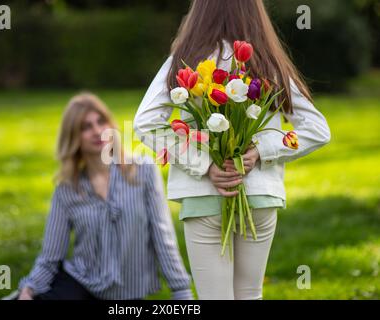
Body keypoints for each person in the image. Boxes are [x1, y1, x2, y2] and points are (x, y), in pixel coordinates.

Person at [133, 0, 331, 300]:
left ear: (200, 12)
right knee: (250, 295)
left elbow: (146, 122)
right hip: (260, 195)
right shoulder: (267, 61)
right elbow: (317, 128)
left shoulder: (187, 60)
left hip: (204, 196)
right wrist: (261, 151)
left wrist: (204, 164)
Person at [18, 93, 193, 300]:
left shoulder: (143, 170)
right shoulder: (67, 188)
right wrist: (29, 289)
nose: (97, 131)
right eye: (85, 127)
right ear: (74, 137)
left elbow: (163, 237)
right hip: (79, 283)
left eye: (101, 122)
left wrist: (181, 290)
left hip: (128, 293)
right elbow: (50, 255)